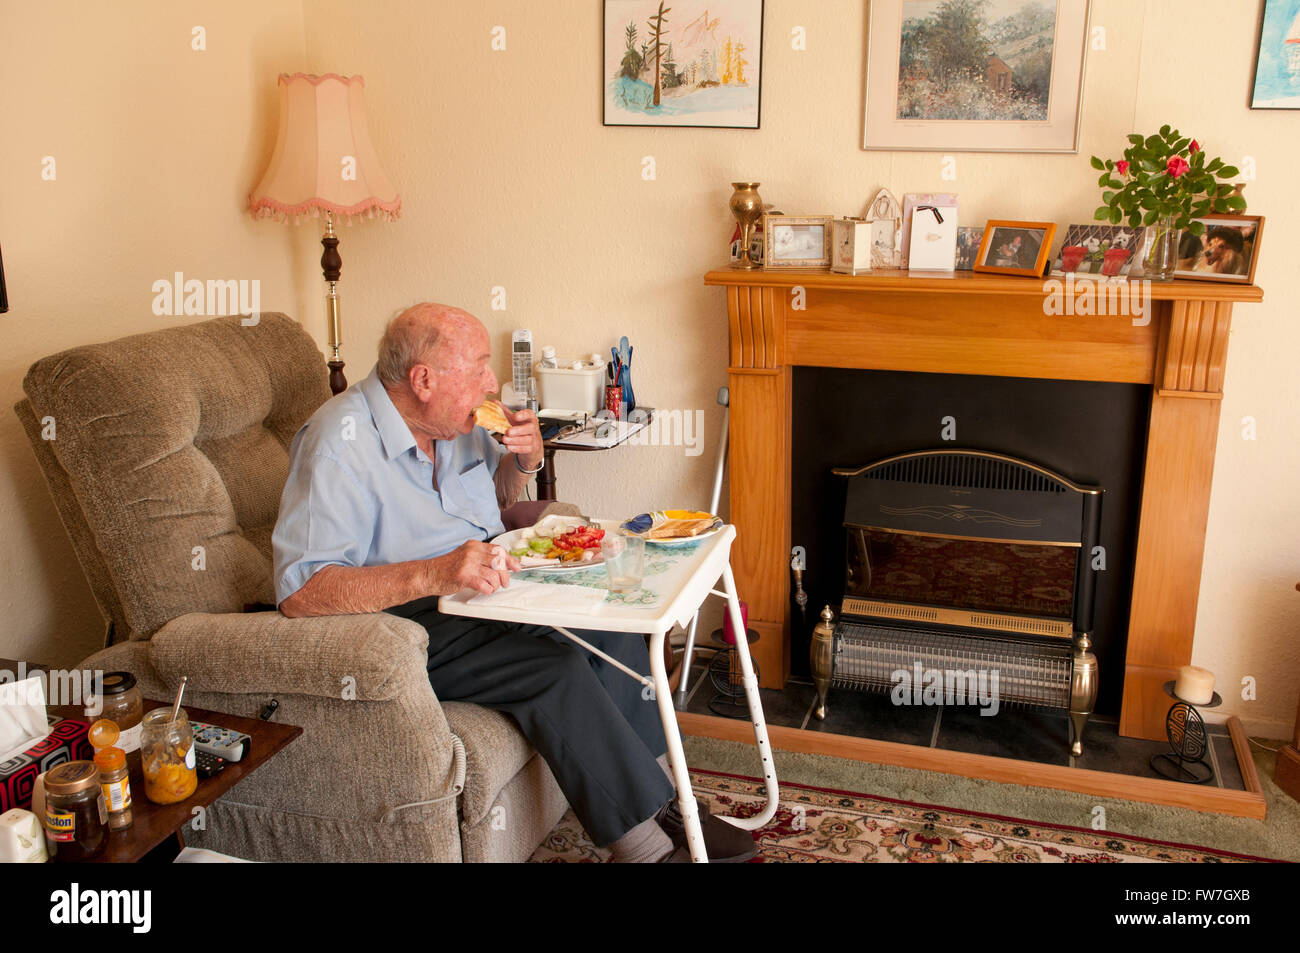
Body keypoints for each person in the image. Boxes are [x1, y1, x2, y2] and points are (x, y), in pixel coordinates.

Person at [272, 302, 755, 863]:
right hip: (402, 622)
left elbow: (495, 505)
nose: (492, 382)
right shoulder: (339, 442)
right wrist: (434, 571)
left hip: (484, 588)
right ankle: (646, 850)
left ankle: (673, 809)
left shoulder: (456, 422)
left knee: (610, 623)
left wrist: (525, 463)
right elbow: (303, 590)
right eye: (478, 367)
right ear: (423, 380)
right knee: (553, 668)